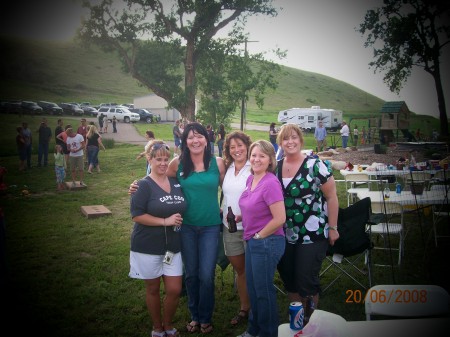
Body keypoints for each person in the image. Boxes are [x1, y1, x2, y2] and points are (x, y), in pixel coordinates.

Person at [129, 122, 226, 334]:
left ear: (206, 138)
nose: (195, 140)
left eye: (199, 135)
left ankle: (205, 316)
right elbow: (159, 179)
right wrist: (138, 186)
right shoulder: (178, 163)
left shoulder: (217, 163)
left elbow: (231, 186)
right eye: (190, 137)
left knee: (207, 274)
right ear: (185, 141)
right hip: (186, 227)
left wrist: (224, 208)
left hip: (210, 226)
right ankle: (194, 316)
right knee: (190, 274)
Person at [275, 123, 339, 327]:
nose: (290, 141)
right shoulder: (276, 166)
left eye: (294, 137)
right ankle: (296, 318)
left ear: (301, 140)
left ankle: (311, 321)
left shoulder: (315, 165)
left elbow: (332, 197)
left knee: (306, 280)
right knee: (289, 278)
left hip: (312, 233)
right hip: (284, 233)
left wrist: (333, 227)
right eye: (285, 138)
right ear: (280, 143)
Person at [129, 140, 187, 337]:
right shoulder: (142, 185)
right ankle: (157, 327)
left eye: (166, 159)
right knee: (153, 289)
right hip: (147, 246)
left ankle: (168, 323)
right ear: (149, 159)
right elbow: (136, 215)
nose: (163, 163)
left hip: (173, 247)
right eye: (158, 159)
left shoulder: (174, 181)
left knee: (174, 289)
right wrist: (165, 221)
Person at [237, 139, 286, 337]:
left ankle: (267, 333)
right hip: (254, 241)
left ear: (270, 160)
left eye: (262, 156)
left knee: (263, 292)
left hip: (267, 242)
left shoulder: (270, 183)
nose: (256, 159)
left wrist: (259, 236)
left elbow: (280, 218)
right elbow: (256, 206)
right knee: (253, 289)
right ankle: (253, 330)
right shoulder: (251, 179)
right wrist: (243, 216)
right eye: (254, 155)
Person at [221, 131, 252, 326]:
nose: (237, 150)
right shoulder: (227, 167)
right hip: (230, 227)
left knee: (254, 270)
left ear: (247, 146)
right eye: (232, 147)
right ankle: (244, 308)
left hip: (252, 227)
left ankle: (258, 309)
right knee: (240, 270)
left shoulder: (255, 165)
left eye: (240, 145)